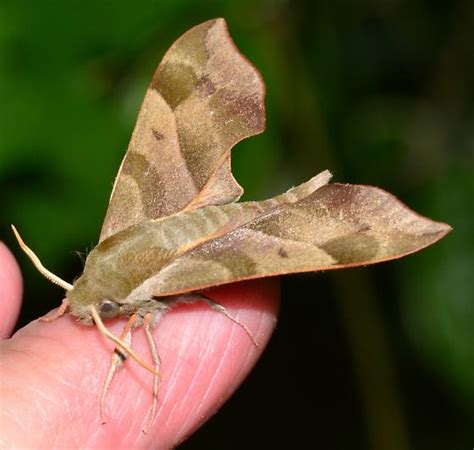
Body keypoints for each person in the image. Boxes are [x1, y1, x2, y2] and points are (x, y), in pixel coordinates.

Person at [0, 242, 279, 448]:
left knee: (140, 330)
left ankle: (151, 393)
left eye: (105, 307)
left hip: (219, 245)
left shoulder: (143, 303)